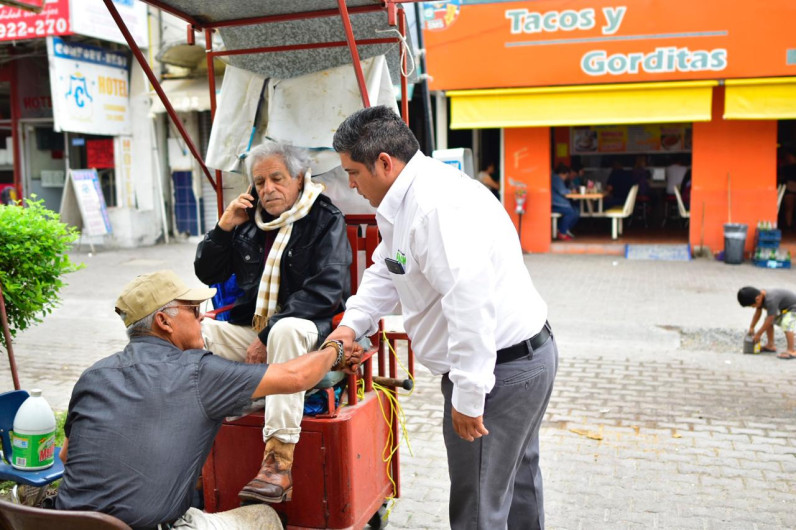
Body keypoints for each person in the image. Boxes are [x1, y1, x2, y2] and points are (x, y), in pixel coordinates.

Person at [327, 106, 558, 530]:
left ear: (384, 162)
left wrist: (469, 395)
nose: (350, 183)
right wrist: (350, 324)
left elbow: (469, 300)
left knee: (477, 506)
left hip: (499, 370)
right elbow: (388, 266)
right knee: (515, 483)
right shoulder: (404, 197)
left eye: (353, 171)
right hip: (518, 360)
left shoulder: (434, 207)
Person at [55, 270, 360, 529]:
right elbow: (296, 377)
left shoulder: (94, 374)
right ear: (164, 321)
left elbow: (67, 456)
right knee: (266, 517)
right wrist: (335, 350)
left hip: (68, 521)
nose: (201, 318)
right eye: (193, 310)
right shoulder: (199, 372)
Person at [194, 141, 351, 504]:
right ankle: (190, 437)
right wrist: (223, 228)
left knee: (286, 329)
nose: (268, 189)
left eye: (277, 179)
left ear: (299, 178)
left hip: (308, 335)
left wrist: (267, 333)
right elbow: (208, 273)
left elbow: (327, 291)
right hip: (256, 330)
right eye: (260, 181)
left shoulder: (325, 218)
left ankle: (277, 462)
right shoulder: (250, 224)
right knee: (197, 331)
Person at [737, 286, 796, 359]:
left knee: (786, 323)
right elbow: (758, 313)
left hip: (793, 309)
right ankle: (770, 345)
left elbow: (771, 318)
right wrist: (752, 327)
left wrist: (759, 334)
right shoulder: (760, 297)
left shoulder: (770, 299)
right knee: (767, 321)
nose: (753, 307)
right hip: (785, 311)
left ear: (757, 299)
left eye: (752, 306)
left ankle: (791, 351)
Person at [551, 163, 579, 240]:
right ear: (563, 174)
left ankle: (562, 230)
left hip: (557, 203)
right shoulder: (556, 179)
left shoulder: (555, 178)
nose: (566, 177)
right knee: (571, 212)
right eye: (566, 175)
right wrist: (571, 191)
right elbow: (562, 191)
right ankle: (562, 233)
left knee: (575, 211)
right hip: (556, 204)